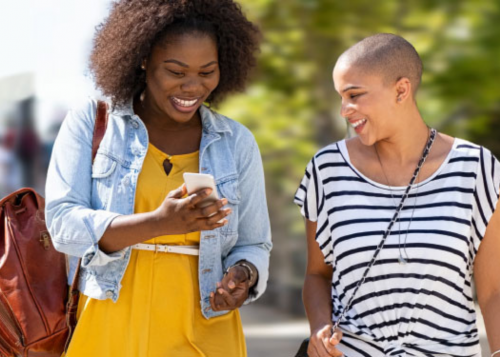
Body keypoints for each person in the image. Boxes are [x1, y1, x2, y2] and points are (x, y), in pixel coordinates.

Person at [45, 1, 272, 356]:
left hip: (206, 329)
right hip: (111, 321)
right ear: (143, 58)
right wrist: (157, 223)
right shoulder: (91, 123)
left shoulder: (236, 141)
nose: (193, 87)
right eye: (176, 71)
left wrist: (244, 275)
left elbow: (254, 243)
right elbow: (61, 224)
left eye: (207, 71)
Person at [295, 33, 500, 357]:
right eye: (340, 97)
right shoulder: (327, 168)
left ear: (401, 90)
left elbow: (493, 291)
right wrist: (320, 330)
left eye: (355, 95)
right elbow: (317, 274)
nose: (344, 110)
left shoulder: (476, 167)